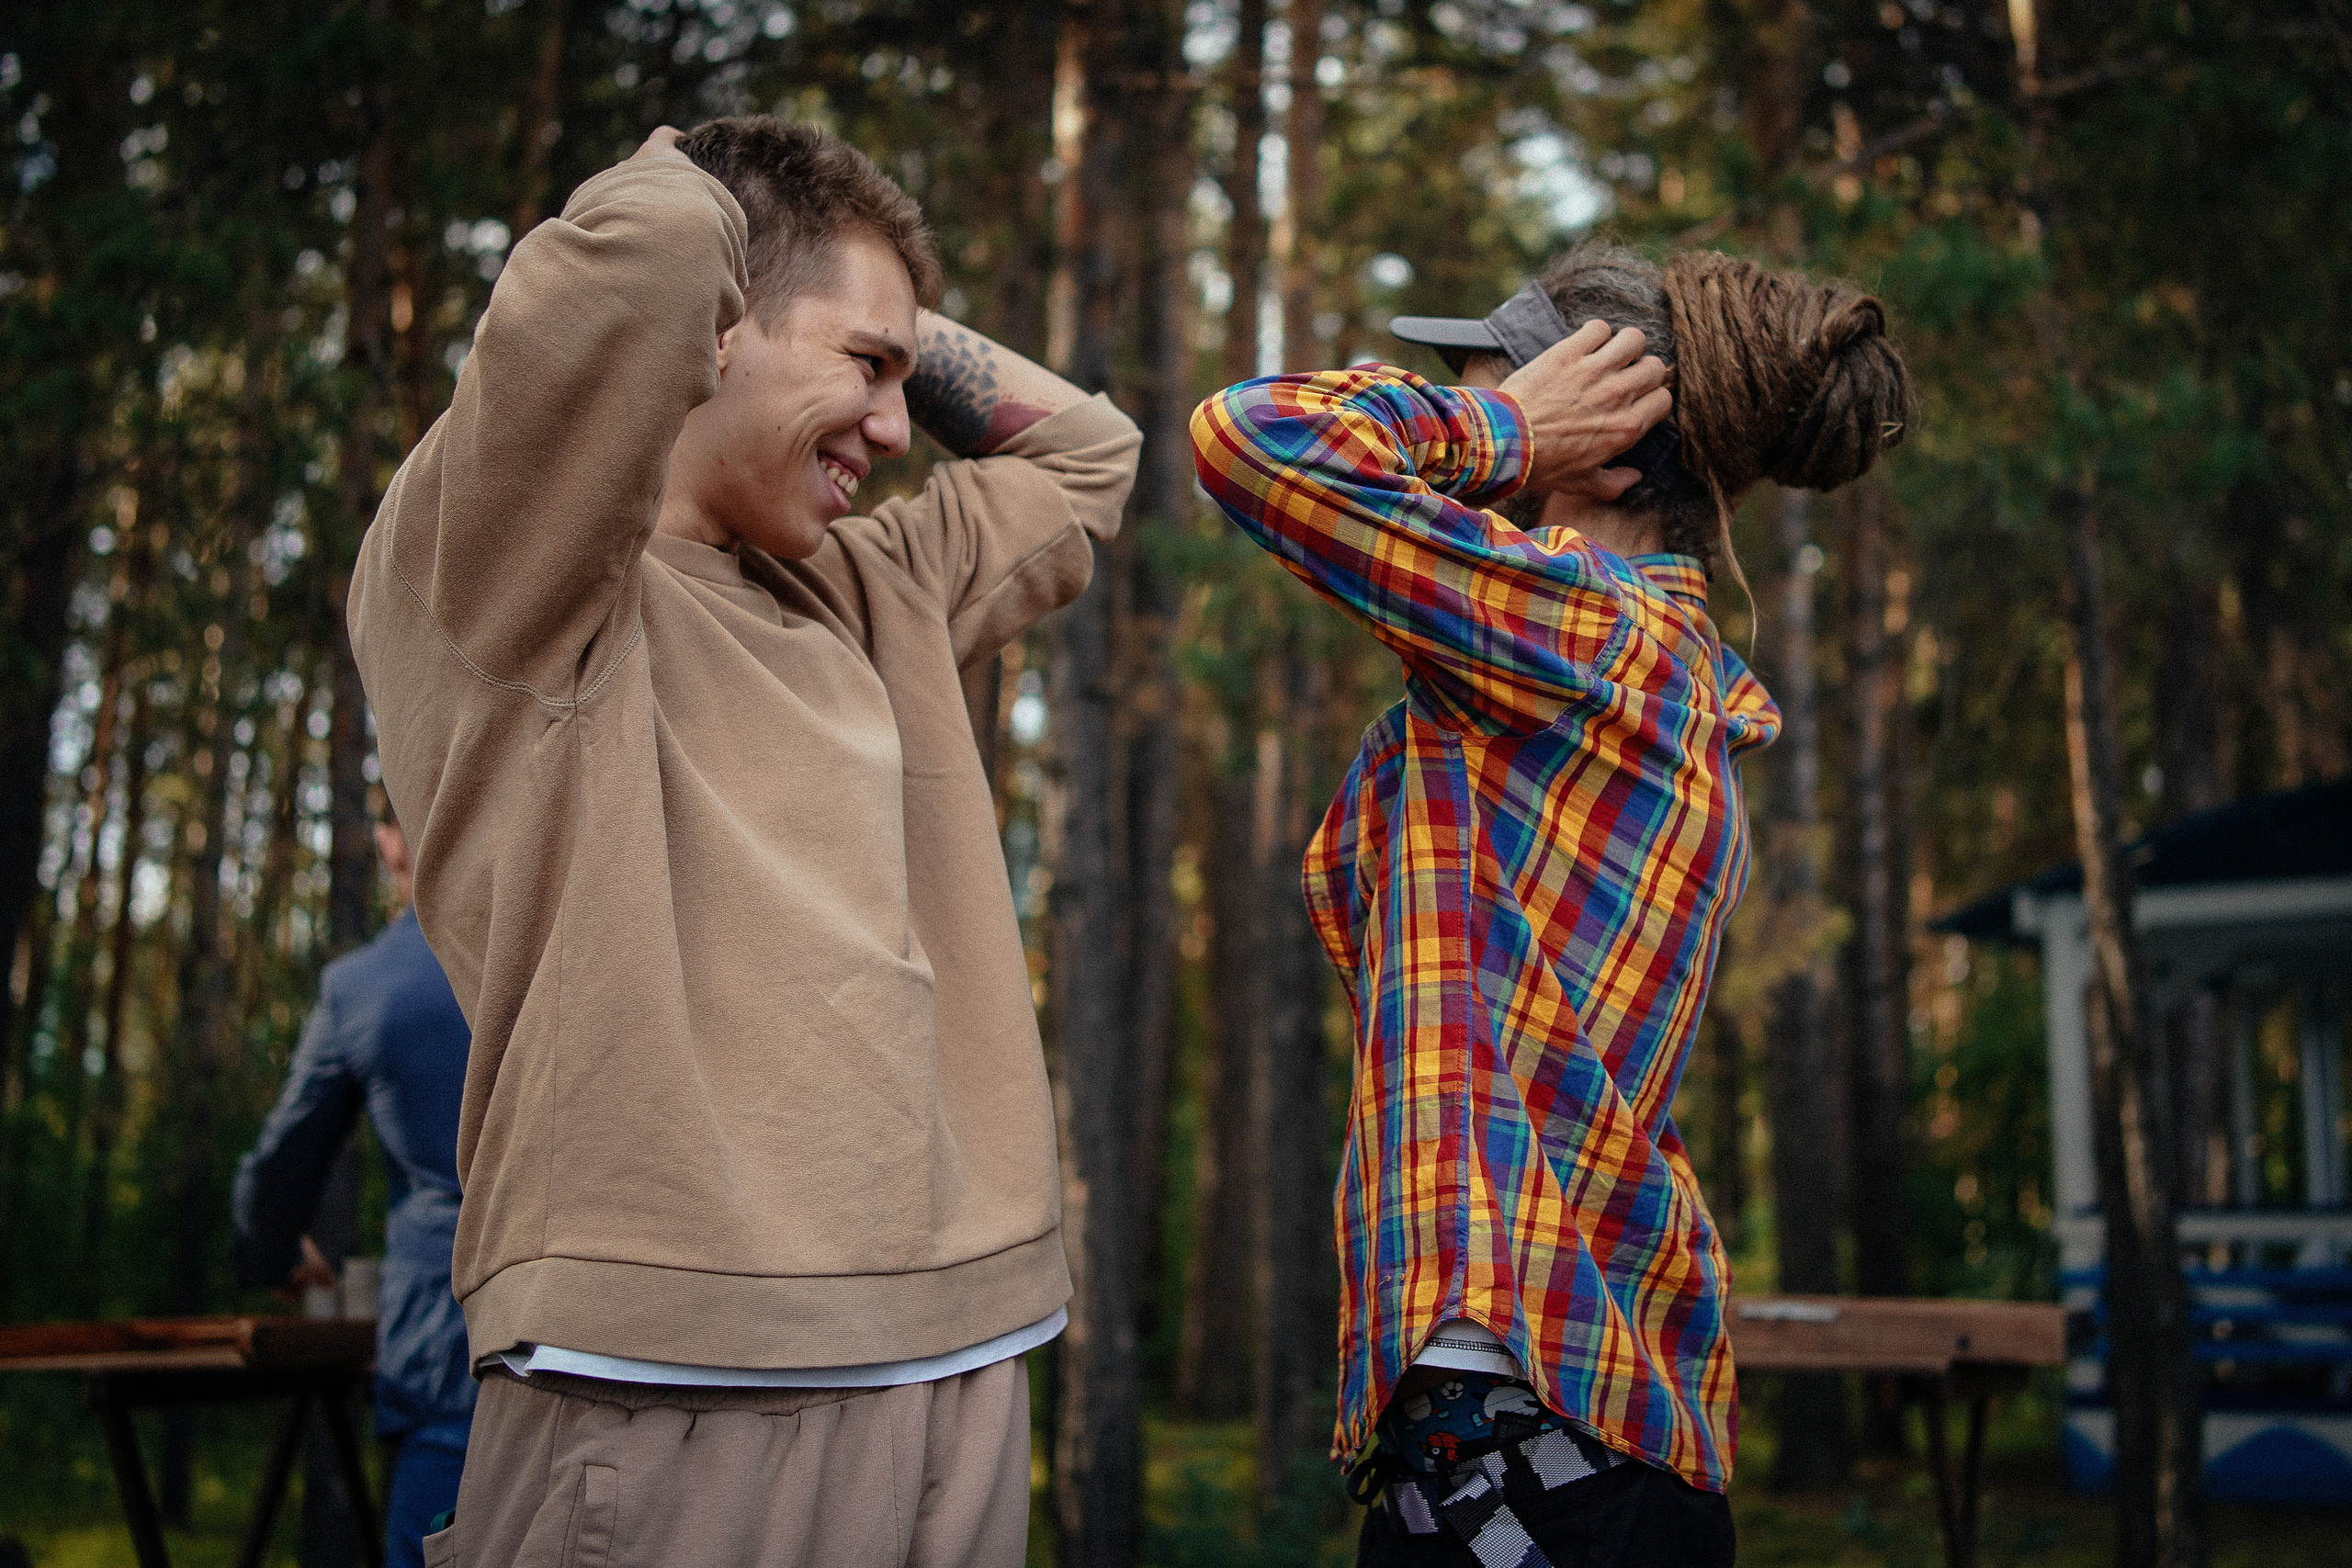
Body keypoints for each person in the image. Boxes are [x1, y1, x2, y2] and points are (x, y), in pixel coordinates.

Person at [349, 113, 1136, 1567]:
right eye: (868, 369)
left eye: (908, 377)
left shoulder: (859, 585)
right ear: (716, 332)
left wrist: (870, 314)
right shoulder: (506, 577)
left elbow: (1092, 455)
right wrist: (697, 211)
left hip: (957, 1363)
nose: (898, 430)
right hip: (674, 1378)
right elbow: (643, 257)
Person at [1192, 241, 1911, 1566]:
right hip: (1544, 1447)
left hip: (1528, 1452)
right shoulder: (1618, 663)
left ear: (1603, 433)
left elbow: (1253, 437)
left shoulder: (1582, 635)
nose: (1467, 437)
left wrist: (1501, 429)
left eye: (1500, 395)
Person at [232, 815, 474, 1568]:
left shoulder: (365, 987)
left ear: (392, 842)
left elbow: (277, 1177)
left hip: (448, 1362)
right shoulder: (576, 954)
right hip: (614, 1355)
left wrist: (276, 1252)